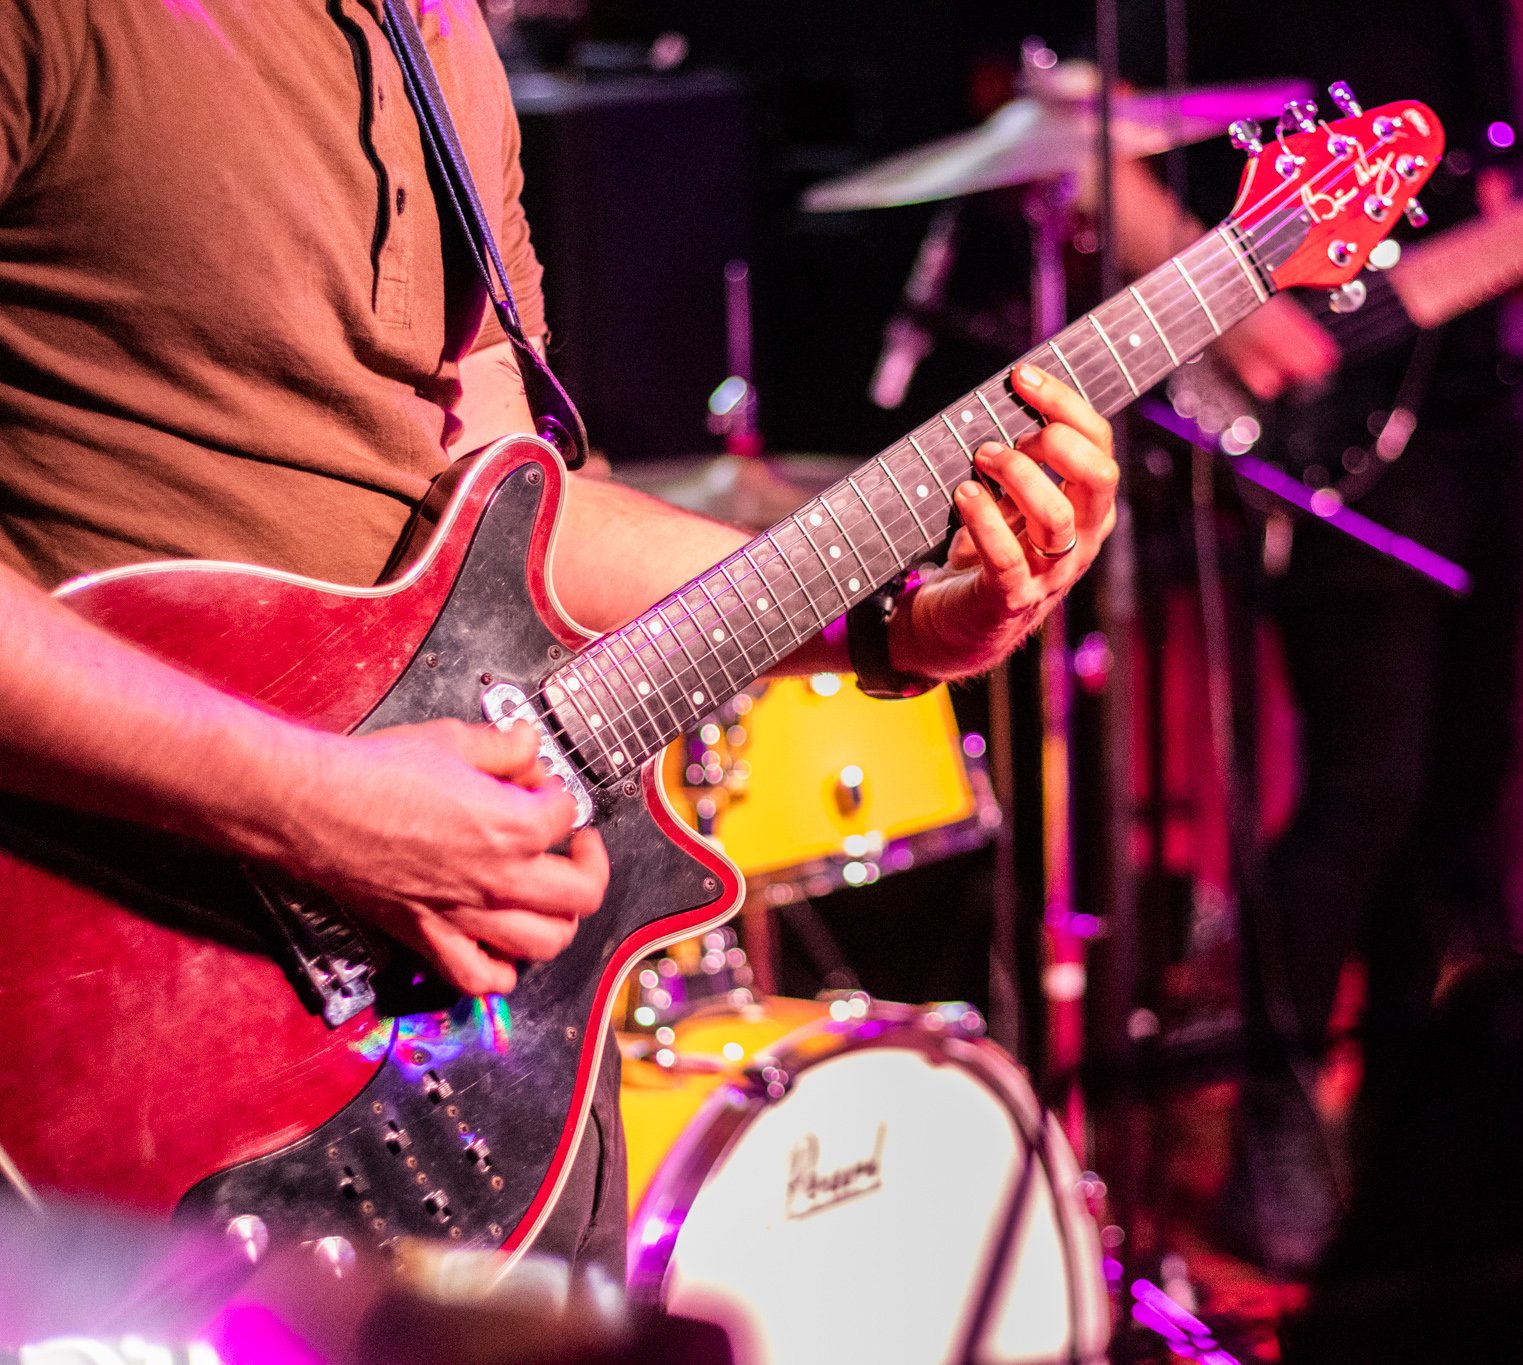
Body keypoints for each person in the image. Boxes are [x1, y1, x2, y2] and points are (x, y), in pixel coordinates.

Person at [0, 0, 1117, 1271]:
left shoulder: (436, 37)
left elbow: (517, 518)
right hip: (111, 1011)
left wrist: (898, 623)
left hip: (448, 1045)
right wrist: (314, 806)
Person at [1108, 0, 1523, 1274]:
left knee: (1460, 794)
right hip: (1329, 436)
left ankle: (1409, 1124)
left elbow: (1485, 215)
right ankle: (1276, 1113)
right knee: (1368, 788)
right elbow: (1078, 147)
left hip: (1461, 414)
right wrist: (1226, 301)